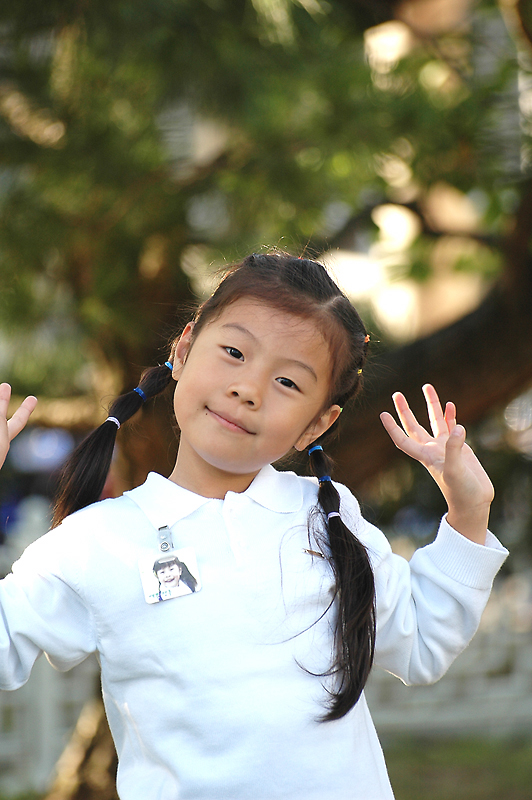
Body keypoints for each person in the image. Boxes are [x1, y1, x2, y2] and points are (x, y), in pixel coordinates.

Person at [0, 253, 507, 800]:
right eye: (235, 353)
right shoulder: (97, 541)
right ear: (184, 350)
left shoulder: (328, 518)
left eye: (287, 381)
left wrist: (468, 513)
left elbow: (422, 643)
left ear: (317, 423)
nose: (249, 389)